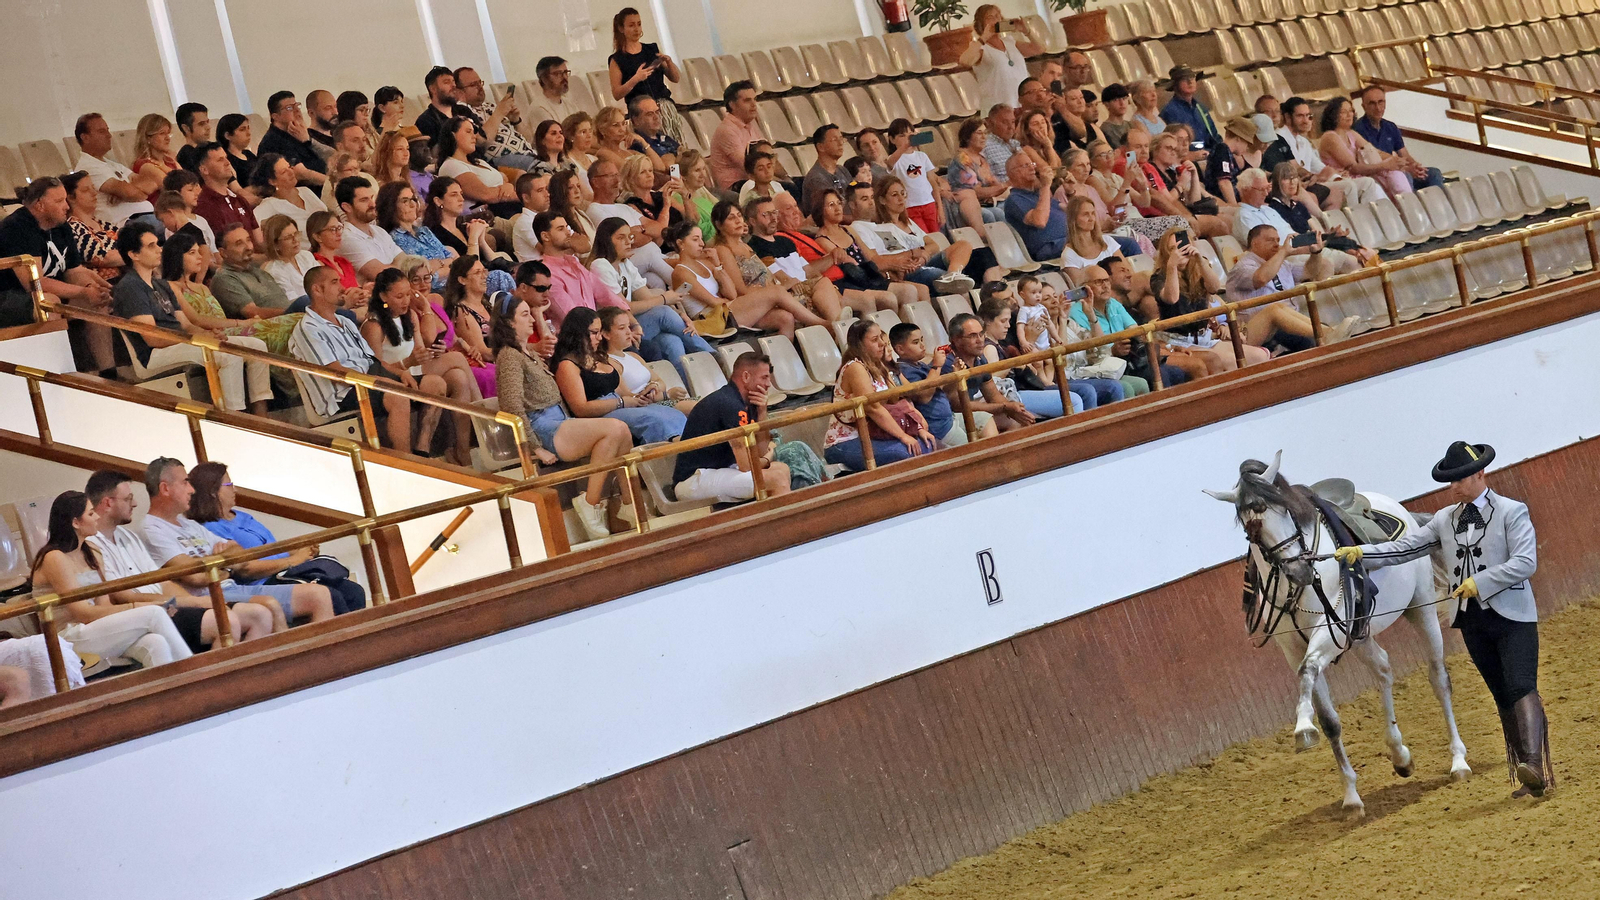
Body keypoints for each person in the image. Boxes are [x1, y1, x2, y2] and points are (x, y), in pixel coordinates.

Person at [1336, 442, 1551, 796]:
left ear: (1481, 474)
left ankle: (1534, 764)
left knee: (1520, 685)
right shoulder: (1444, 519)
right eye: (1450, 482)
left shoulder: (1513, 512)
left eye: (1461, 479)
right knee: (1501, 694)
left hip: (1513, 615)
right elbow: (1405, 547)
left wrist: (1478, 582)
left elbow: (1525, 563)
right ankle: (1525, 773)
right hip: (1472, 621)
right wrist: (1363, 553)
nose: (1454, 487)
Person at [491, 289, 632, 538]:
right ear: (509, 322)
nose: (532, 320)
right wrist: (534, 447)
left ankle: (620, 507)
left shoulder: (527, 353)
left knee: (623, 435)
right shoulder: (510, 357)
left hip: (559, 421)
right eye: (525, 315)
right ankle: (590, 504)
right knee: (615, 428)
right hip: (544, 428)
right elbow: (511, 406)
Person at [141, 458, 334, 633]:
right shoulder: (152, 529)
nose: (191, 490)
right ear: (165, 489)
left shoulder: (189, 524)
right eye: (185, 483)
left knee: (319, 594)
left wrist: (217, 563)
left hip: (231, 586)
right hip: (210, 596)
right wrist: (226, 564)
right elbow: (197, 576)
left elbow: (240, 554)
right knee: (270, 605)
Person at [111, 222, 273, 415]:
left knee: (256, 346)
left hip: (180, 343)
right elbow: (152, 338)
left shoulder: (161, 285)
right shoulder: (130, 287)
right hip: (155, 354)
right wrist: (198, 340)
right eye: (151, 246)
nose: (159, 250)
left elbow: (186, 324)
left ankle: (261, 416)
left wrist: (207, 334)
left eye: (157, 244)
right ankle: (233, 418)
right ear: (133, 254)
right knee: (228, 355)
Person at [30, 490, 205, 667]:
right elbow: (83, 613)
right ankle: (196, 674)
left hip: (97, 628)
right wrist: (139, 607)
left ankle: (173, 693)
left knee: (155, 643)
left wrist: (137, 609)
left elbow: (103, 605)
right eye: (91, 513)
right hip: (68, 636)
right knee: (155, 613)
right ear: (75, 522)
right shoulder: (54, 557)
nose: (97, 516)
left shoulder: (92, 551)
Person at [187, 462, 366, 615]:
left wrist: (297, 550)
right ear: (213, 492)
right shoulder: (210, 528)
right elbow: (244, 569)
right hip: (265, 581)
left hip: (286, 572)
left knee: (353, 591)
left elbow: (268, 547)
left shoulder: (241, 516)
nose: (235, 489)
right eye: (229, 485)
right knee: (332, 595)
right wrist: (294, 560)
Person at [291, 266, 416, 446]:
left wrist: (400, 372)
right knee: (397, 396)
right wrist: (377, 381)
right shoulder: (308, 329)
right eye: (335, 282)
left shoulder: (345, 322)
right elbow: (336, 373)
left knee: (432, 385)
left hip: (368, 379)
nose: (342, 288)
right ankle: (408, 466)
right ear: (317, 289)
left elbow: (372, 360)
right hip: (342, 395)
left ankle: (424, 452)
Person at [0, 177, 117, 368]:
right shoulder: (17, 227)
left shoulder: (61, 225)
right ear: (40, 205)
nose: (67, 206)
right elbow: (35, 284)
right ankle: (60, 373)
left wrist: (94, 288)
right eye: (59, 201)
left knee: (96, 299)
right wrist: (81, 292)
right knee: (49, 302)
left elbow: (74, 270)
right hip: (9, 298)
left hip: (47, 291)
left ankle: (108, 371)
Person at [362, 268, 473, 460]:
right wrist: (407, 362)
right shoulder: (374, 325)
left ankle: (457, 448)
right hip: (394, 376)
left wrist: (432, 352)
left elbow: (420, 349)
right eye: (399, 296)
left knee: (459, 378)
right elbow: (374, 366)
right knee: (457, 359)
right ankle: (481, 414)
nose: (405, 300)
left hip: (416, 370)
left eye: (407, 294)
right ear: (383, 296)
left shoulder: (410, 315)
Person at [592, 216, 714, 376]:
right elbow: (622, 309)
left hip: (631, 325)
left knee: (672, 342)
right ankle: (713, 357)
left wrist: (682, 315)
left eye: (629, 237)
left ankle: (687, 391)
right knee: (662, 312)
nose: (628, 242)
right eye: (621, 238)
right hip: (613, 331)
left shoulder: (625, 264)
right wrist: (664, 299)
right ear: (606, 241)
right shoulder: (600, 265)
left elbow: (647, 296)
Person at [669, 218, 827, 336]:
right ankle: (823, 325)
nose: (702, 244)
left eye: (702, 239)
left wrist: (717, 265)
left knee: (785, 318)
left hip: (727, 310)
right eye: (695, 240)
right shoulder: (680, 272)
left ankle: (779, 372)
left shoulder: (706, 264)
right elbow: (714, 302)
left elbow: (731, 293)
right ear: (681, 244)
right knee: (777, 292)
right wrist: (750, 300)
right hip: (714, 318)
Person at [553, 305, 686, 445]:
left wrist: (648, 393)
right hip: (601, 414)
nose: (599, 338)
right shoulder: (568, 365)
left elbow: (625, 393)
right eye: (594, 332)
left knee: (672, 414)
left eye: (599, 332)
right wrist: (621, 402)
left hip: (621, 405)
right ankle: (681, 450)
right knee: (654, 419)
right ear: (578, 334)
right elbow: (581, 409)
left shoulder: (598, 357)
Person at [1145, 228, 1269, 374]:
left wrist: (1199, 260)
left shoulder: (1199, 268)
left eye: (1182, 246)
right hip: (1178, 340)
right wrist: (1172, 266)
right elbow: (1172, 298)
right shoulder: (1159, 276)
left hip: (1204, 337)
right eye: (1173, 249)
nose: (1179, 252)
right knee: (1230, 362)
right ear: (1166, 253)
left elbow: (1215, 288)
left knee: (1260, 356)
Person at [672, 352, 791, 503]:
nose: (769, 384)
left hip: (719, 471)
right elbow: (746, 465)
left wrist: (762, 413)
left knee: (782, 469)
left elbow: (759, 451)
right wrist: (767, 460)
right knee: (775, 478)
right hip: (693, 479)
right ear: (746, 376)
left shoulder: (749, 403)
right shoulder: (728, 403)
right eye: (764, 377)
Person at [822, 320, 935, 471]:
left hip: (875, 434)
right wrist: (903, 436)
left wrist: (918, 427)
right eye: (875, 340)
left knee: (925, 444)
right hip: (846, 441)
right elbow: (873, 409)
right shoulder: (855, 367)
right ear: (860, 345)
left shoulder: (878, 365)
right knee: (905, 452)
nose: (882, 344)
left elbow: (897, 400)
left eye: (881, 338)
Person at [166, 231, 299, 357]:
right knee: (288, 323)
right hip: (216, 334)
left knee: (298, 318)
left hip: (228, 329)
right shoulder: (171, 287)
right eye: (192, 252)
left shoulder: (202, 288)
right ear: (177, 256)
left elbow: (219, 316)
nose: (200, 256)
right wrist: (243, 323)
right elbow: (197, 320)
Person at [1225, 223, 1348, 351]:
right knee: (1277, 309)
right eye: (1270, 240)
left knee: (1315, 332)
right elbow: (1261, 278)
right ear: (1255, 243)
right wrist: (1283, 252)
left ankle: (1329, 331)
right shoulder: (1242, 267)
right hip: (1261, 330)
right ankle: (1328, 333)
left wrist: (1315, 253)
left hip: (1290, 322)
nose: (1276, 244)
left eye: (1278, 240)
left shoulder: (1282, 263)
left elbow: (1309, 271)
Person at [863, 174, 993, 290]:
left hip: (926, 261)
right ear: (882, 200)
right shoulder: (881, 228)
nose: (901, 199)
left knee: (977, 251)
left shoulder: (909, 223)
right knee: (938, 274)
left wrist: (923, 255)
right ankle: (952, 280)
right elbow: (899, 257)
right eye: (894, 195)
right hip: (912, 270)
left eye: (903, 193)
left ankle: (953, 274)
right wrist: (916, 253)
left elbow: (933, 245)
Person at [1072, 263, 1188, 393]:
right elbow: (1089, 353)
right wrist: (1113, 350)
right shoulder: (1076, 313)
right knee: (1158, 375)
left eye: (1107, 281)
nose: (1105, 286)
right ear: (1084, 288)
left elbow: (1137, 331)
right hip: (1103, 367)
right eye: (1099, 282)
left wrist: (1166, 347)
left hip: (1130, 360)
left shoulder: (1113, 303)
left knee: (1176, 372)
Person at [804, 189, 919, 311]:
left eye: (838, 203)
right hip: (852, 281)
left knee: (909, 291)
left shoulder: (848, 230)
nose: (838, 208)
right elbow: (848, 263)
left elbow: (870, 257)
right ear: (820, 210)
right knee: (888, 298)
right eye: (831, 205)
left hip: (868, 275)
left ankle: (905, 327)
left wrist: (890, 270)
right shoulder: (822, 239)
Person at [1235, 169, 1364, 278]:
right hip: (1283, 259)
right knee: (1325, 265)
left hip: (1302, 250)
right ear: (1246, 190)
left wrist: (1324, 237)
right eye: (1261, 189)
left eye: (1267, 188)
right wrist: (1301, 249)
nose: (1266, 193)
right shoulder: (1244, 216)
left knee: (1353, 262)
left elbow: (1293, 234)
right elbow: (1264, 251)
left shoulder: (1268, 209)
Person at [741, 195, 848, 321]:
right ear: (753, 221)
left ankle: (839, 324)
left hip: (809, 286)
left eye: (774, 213)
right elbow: (778, 276)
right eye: (766, 214)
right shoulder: (755, 246)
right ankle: (838, 325)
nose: (773, 218)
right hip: (792, 292)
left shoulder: (786, 241)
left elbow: (808, 270)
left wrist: (824, 280)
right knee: (824, 285)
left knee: (855, 295)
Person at [890, 323, 996, 448]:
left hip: (950, 418)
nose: (922, 345)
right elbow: (924, 397)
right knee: (971, 448)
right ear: (900, 349)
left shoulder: (920, 365)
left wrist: (955, 376)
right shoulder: (904, 370)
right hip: (938, 426)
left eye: (922, 340)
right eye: (915, 342)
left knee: (985, 419)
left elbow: (943, 390)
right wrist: (937, 366)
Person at [943, 311, 1048, 432]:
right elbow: (958, 405)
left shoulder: (979, 358)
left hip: (971, 411)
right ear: (956, 340)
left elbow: (993, 395)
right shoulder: (948, 363)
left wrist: (1014, 410)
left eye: (981, 334)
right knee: (1002, 421)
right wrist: (1005, 407)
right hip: (951, 418)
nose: (980, 340)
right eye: (972, 336)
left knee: (1021, 420)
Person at [1277, 96, 1384, 207]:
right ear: (1288, 117)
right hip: (1299, 187)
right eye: (1300, 116)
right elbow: (1294, 169)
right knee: (1349, 186)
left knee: (1368, 183)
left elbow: (1322, 168)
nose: (1306, 121)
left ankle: (1366, 222)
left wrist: (1337, 175)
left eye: (1308, 116)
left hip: (1314, 183)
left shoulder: (1303, 141)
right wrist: (1316, 176)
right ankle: (1353, 221)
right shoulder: (1280, 138)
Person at [1263, 165, 1376, 267]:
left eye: (1294, 177)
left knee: (1355, 247)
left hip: (1315, 243)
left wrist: (1331, 235)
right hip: (1304, 250)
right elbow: (1294, 240)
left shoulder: (1298, 206)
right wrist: (1328, 239)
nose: (1292, 182)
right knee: (1353, 257)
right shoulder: (1274, 209)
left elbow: (1317, 231)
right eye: (1286, 179)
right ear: (1277, 183)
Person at [599, 305, 694, 416]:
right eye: (621, 328)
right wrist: (665, 395)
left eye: (629, 327)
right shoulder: (608, 363)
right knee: (698, 408)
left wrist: (655, 386)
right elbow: (628, 397)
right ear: (606, 334)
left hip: (658, 402)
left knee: (705, 405)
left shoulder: (633, 356)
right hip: (647, 407)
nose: (629, 332)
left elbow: (660, 381)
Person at [608, 6, 683, 142]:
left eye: (639, 24)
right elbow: (617, 93)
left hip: (663, 107)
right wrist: (635, 79)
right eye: (631, 25)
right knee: (654, 147)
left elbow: (675, 78)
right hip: (641, 112)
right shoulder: (617, 59)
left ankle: (675, 165)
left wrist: (669, 63)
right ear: (621, 29)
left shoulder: (651, 49)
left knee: (674, 147)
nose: (636, 29)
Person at [1319, 96, 1413, 198]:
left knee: (1396, 173)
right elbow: (1354, 168)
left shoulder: (1351, 133)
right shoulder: (1330, 137)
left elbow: (1376, 152)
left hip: (1360, 177)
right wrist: (1385, 165)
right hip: (1343, 180)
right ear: (1333, 115)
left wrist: (1398, 162)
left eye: (1351, 111)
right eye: (1344, 112)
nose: (1349, 115)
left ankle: (1408, 207)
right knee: (1376, 184)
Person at [72, 113, 157, 226]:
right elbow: (131, 193)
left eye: (108, 130)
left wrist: (124, 191)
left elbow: (151, 183)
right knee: (176, 223)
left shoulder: (112, 164)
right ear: (85, 137)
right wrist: (128, 190)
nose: (109, 135)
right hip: (124, 224)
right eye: (102, 131)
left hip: (144, 218)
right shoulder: (88, 167)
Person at [1355, 86, 1444, 192]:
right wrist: (1406, 168)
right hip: (1381, 173)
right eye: (1372, 103)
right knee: (1405, 176)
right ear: (1364, 106)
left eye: (1381, 102)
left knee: (1434, 173)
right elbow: (1374, 158)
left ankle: (1439, 206)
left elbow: (1404, 154)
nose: (1378, 108)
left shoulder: (1390, 126)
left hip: (1398, 168)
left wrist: (1415, 166)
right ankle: (1412, 205)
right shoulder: (1358, 129)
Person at [960, 4, 1043, 113]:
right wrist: (984, 37)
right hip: (998, 110)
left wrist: (1026, 31)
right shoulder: (980, 47)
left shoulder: (1010, 42)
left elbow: (1039, 49)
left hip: (1020, 106)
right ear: (981, 24)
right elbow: (964, 61)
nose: (996, 20)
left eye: (998, 16)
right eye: (991, 17)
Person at [434, 116, 521, 217]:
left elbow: (505, 180)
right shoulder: (450, 165)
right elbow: (486, 195)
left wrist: (508, 187)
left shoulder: (479, 162)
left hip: (508, 206)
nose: (474, 136)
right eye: (468, 131)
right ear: (453, 135)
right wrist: (513, 192)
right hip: (489, 214)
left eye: (474, 132)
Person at [455, 66, 537, 171]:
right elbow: (482, 142)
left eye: (480, 82)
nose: (480, 87)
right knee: (542, 167)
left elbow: (530, 140)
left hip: (528, 154)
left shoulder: (491, 106)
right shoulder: (463, 114)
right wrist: (499, 113)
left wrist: (516, 120)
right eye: (473, 85)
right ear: (459, 92)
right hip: (502, 160)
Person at [379, 181, 456, 291]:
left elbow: (451, 257)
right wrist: (449, 268)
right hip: (434, 292)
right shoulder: (394, 239)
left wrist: (439, 263)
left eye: (413, 199)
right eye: (405, 201)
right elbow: (422, 278)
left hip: (453, 286)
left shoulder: (425, 231)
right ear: (391, 206)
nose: (412, 205)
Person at [213, 221, 296, 319]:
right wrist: (293, 312)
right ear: (223, 253)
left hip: (291, 321)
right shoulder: (224, 278)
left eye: (248, 240)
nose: (248, 247)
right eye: (239, 244)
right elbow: (252, 313)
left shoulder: (260, 272)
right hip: (267, 329)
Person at [1004, 153, 1069, 263]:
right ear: (1012, 173)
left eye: (1032, 164)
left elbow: (1073, 211)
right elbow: (1040, 221)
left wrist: (1071, 191)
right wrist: (1045, 186)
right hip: (1049, 247)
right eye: (1025, 165)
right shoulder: (1014, 199)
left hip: (1067, 242)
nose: (1032, 168)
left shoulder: (1038, 195)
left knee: (1104, 240)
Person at [335, 177, 404, 282]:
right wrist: (399, 266)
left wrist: (394, 266)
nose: (372, 204)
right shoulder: (347, 239)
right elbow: (383, 276)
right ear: (347, 207)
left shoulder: (379, 231)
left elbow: (406, 261)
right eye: (364, 200)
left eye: (372, 197)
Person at [250, 153, 327, 245]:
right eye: (283, 172)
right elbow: (254, 230)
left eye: (289, 167)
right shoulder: (269, 205)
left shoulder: (305, 191)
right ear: (272, 181)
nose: (291, 172)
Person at [61, 170, 125, 283]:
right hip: (106, 285)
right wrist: (138, 254)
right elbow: (104, 258)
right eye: (86, 190)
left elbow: (131, 244)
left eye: (93, 188)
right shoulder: (72, 228)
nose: (94, 193)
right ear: (70, 197)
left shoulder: (106, 225)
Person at [195, 142, 261, 247]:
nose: (227, 163)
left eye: (226, 158)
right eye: (220, 160)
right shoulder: (204, 207)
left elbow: (259, 241)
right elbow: (224, 252)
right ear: (204, 170)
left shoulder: (240, 200)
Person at [257, 91, 328, 187]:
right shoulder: (273, 141)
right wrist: (332, 184)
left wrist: (307, 140)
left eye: (297, 106)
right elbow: (301, 173)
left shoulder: (296, 132)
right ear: (276, 117)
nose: (297, 111)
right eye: (289, 108)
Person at [884, 119, 941, 233]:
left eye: (910, 135)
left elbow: (932, 181)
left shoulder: (922, 156)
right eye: (902, 136)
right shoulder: (895, 159)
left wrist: (939, 206)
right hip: (910, 206)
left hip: (928, 203)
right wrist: (905, 147)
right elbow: (889, 162)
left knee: (936, 235)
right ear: (892, 139)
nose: (907, 138)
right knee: (922, 236)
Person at [1160, 66, 1220, 150]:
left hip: (1208, 153)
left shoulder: (1200, 107)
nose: (1190, 81)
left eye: (1192, 77)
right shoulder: (1170, 112)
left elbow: (1214, 135)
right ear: (1175, 85)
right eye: (1184, 79)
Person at [801, 125, 853, 217]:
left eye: (841, 139)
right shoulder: (816, 178)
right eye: (834, 140)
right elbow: (829, 214)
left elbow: (854, 191)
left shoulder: (842, 170)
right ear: (821, 147)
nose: (840, 143)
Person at [414, 66, 474, 143]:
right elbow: (433, 153)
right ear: (433, 89)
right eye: (447, 82)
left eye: (453, 81)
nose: (453, 85)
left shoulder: (464, 110)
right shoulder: (425, 121)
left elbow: (483, 138)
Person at [129, 114, 180, 205]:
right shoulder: (143, 164)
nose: (167, 138)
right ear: (148, 138)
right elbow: (175, 187)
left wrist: (163, 166)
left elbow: (189, 181)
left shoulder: (169, 160)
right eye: (162, 133)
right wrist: (164, 167)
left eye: (168, 133)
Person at [529, 56, 582, 125]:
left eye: (565, 72)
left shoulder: (570, 104)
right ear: (544, 79)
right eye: (558, 74)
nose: (564, 77)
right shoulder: (539, 108)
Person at [629, 94, 679, 166]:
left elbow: (689, 156)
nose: (656, 117)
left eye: (657, 112)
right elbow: (664, 168)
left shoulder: (663, 137)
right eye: (649, 114)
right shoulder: (638, 144)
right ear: (636, 120)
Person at [217, 113, 259, 189]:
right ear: (228, 136)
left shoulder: (249, 154)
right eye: (242, 129)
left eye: (248, 128)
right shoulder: (227, 161)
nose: (248, 133)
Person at [981, 105, 1021, 180]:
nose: (1010, 127)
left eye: (1012, 122)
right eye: (1005, 122)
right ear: (991, 123)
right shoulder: (983, 147)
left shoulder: (1015, 144)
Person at [175, 102, 212, 172]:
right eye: (201, 124)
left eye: (207, 122)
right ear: (186, 128)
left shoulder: (212, 147)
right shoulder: (186, 157)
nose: (208, 127)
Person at [1099, 83, 1134, 150]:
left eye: (1124, 98)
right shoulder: (1106, 129)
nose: (1122, 103)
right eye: (1116, 100)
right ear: (1107, 105)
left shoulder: (1130, 124)